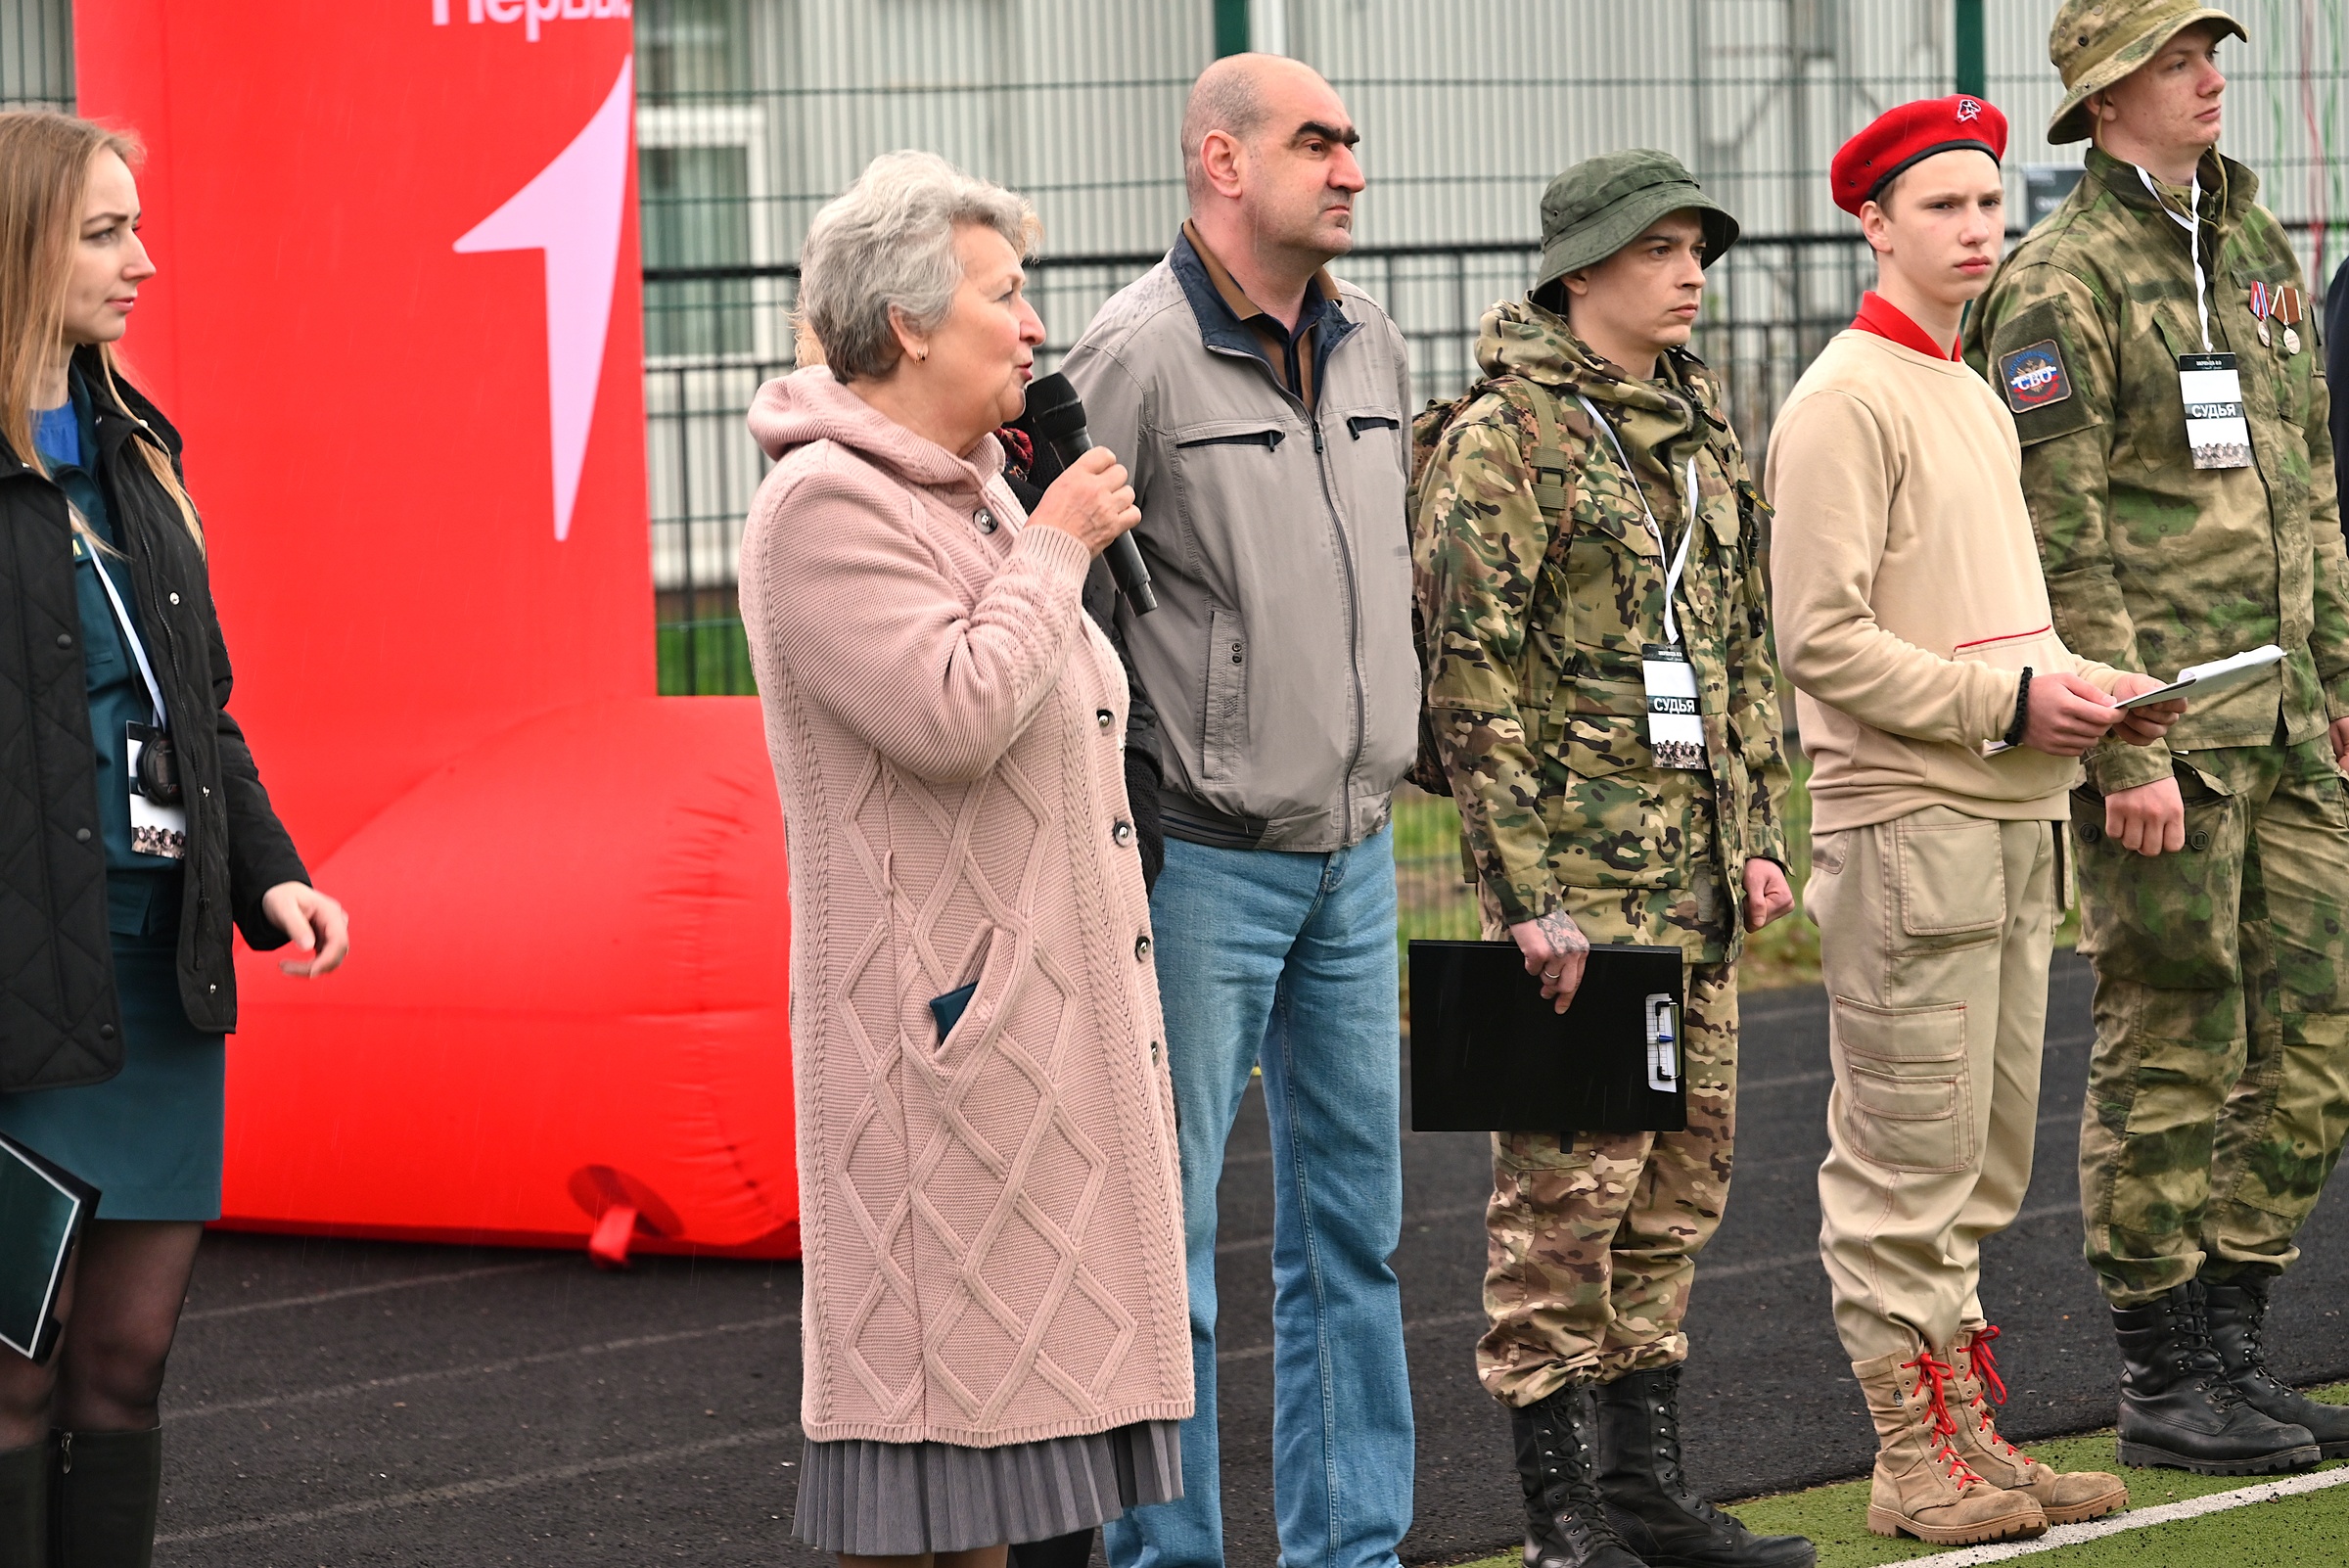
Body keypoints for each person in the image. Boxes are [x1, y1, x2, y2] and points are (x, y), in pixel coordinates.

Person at [737, 150, 1191, 1568]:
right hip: (943, 1059)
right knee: (945, 1481)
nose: (1036, 324)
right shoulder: (824, 509)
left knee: (1025, 1488)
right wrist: (1057, 546)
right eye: (1005, 293)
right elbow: (952, 714)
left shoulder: (977, 492)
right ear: (911, 323)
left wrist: (1036, 536)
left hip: (1040, 1047)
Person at [1770, 96, 2180, 1547]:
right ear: (1872, 223)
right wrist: (2010, 703)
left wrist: (2088, 685)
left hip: (2006, 818)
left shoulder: (1969, 390)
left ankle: (1962, 1434)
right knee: (1907, 1158)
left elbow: (1996, 617)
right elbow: (1820, 639)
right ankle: (1913, 1454)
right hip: (1910, 823)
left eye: (1990, 203)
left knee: (1982, 1157)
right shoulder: (1845, 399)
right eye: (1942, 205)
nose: (1977, 229)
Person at [1967, 0, 2349, 1475]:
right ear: (2107, 94)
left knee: (2316, 1029)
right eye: (2178, 61)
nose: (2208, 81)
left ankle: (2234, 1336)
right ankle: (2164, 1367)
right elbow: (2057, 539)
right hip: (2170, 734)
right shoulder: (2058, 281)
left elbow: (2309, 483)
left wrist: (2336, 679)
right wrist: (2127, 744)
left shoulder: (2253, 249)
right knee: (2176, 1030)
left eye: (2212, 57)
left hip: (2288, 723)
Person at [1417, 149, 1812, 1568]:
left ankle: (1647, 1492)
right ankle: (1561, 1517)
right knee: (1561, 1212)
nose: (1690, 273)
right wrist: (1525, 899)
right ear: (1581, 269)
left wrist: (1753, 832)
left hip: (1694, 886)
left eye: (1698, 248)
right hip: (1580, 901)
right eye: (1659, 249)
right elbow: (1473, 685)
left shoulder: (1695, 426)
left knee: (1675, 1197)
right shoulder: (1508, 439)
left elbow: (1737, 648)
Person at [1059, 53, 1419, 1568]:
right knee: (1170, 1251)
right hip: (1197, 865)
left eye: (1350, 142)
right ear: (1222, 161)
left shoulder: (1374, 341)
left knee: (1357, 1241)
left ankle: (1355, 1549)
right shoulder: (1132, 358)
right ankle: (1168, 1556)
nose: (1350, 170)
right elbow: (1062, 611)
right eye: (1317, 142)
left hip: (1358, 857)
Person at [0, 111, 349, 1567]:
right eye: (104, 233)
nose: (142, 260)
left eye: (135, 225)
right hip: (22, 985)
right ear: (18, 249)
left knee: (125, 1366)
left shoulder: (138, 448)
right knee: (14, 1379)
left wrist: (272, 872)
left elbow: (194, 706)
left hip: (156, 967)